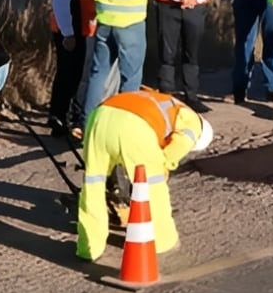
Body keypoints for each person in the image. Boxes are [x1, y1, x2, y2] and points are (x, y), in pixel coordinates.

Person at [75, 88, 214, 262]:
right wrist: (164, 165)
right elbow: (176, 148)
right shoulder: (193, 124)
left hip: (99, 117)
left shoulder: (168, 102)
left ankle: (88, 247)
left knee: (93, 184)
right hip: (135, 125)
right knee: (153, 187)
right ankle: (163, 241)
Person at [47, 0, 103, 137]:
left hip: (78, 29)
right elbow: (61, 2)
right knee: (70, 76)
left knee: (73, 75)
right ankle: (59, 120)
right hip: (71, 31)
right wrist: (68, 34)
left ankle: (61, 119)